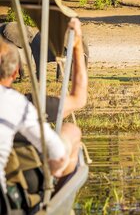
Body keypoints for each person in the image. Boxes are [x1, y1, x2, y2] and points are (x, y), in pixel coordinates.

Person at [0, 18, 86, 196]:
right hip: (8, 195)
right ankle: (52, 198)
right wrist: (76, 46)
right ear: (16, 72)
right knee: (70, 131)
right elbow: (78, 99)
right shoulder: (20, 105)